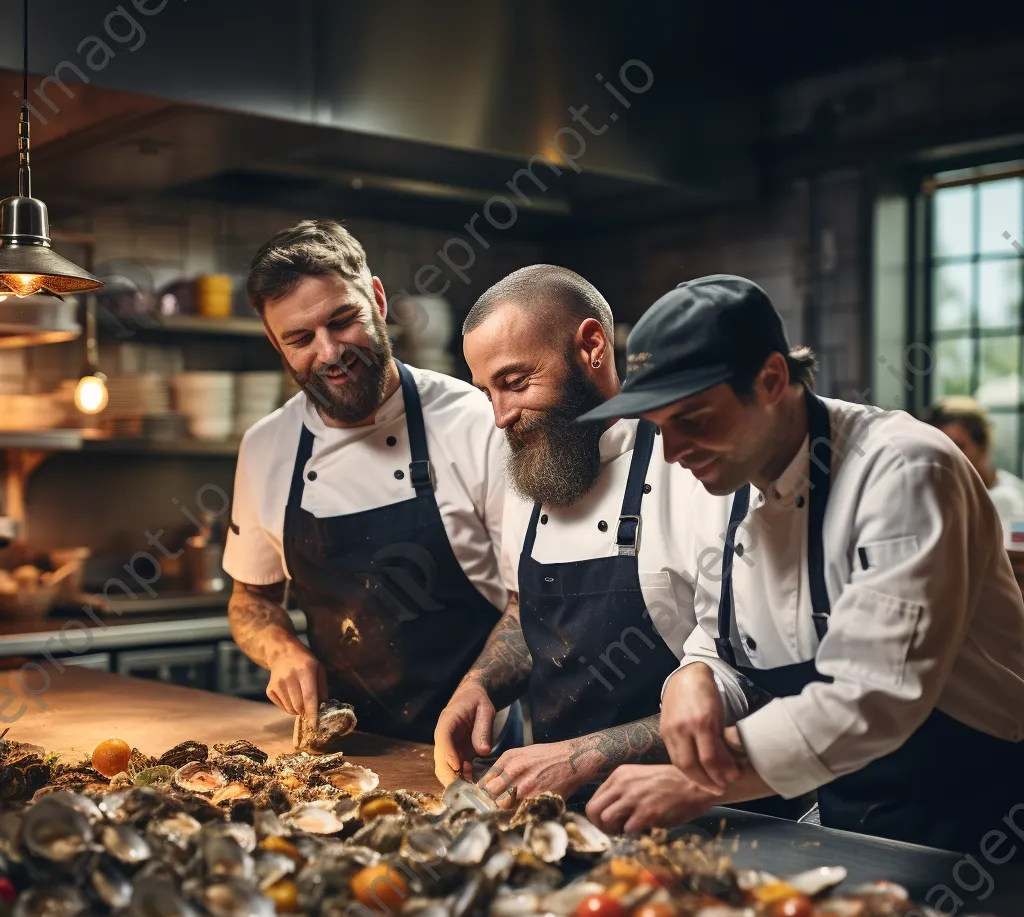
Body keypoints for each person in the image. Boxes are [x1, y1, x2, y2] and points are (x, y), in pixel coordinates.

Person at [581, 274, 1024, 854]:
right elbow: (725, 641)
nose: (673, 452)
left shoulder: (906, 473)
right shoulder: (733, 484)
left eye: (692, 419)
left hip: (979, 827)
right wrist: (693, 678)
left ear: (770, 380)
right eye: (658, 427)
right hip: (850, 823)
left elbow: (874, 698)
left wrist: (699, 782)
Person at [223, 220, 516, 746]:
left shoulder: (475, 421)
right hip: (342, 751)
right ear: (275, 343)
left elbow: (533, 601)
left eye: (343, 321)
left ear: (377, 299)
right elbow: (251, 601)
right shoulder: (266, 446)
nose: (330, 352)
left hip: (482, 744)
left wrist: (480, 687)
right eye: (300, 339)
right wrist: (281, 650)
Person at [433, 265, 702, 806]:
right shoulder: (535, 466)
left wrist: (580, 758)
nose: (501, 417)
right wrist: (480, 684)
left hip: (701, 811)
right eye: (487, 393)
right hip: (558, 811)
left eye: (514, 382)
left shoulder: (694, 469)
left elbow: (740, 686)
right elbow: (524, 609)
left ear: (592, 347)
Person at [925, 395, 1024, 519]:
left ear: (983, 444)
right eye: (939, 448)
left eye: (959, 447)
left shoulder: (1007, 503)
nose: (948, 457)